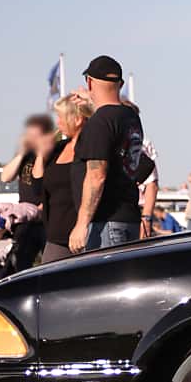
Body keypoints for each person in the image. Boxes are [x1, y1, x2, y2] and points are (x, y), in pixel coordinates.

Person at [69, 55, 152, 253]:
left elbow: (96, 176)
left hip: (105, 223)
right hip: (128, 217)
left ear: (89, 81)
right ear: (121, 84)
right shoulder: (130, 117)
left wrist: (82, 224)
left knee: (103, 282)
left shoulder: (100, 122)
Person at [39, 93, 91, 264]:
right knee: (47, 286)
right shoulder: (58, 148)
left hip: (84, 235)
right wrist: (41, 156)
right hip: (55, 237)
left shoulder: (92, 146)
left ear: (77, 119)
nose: (58, 123)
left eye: (61, 117)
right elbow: (37, 188)